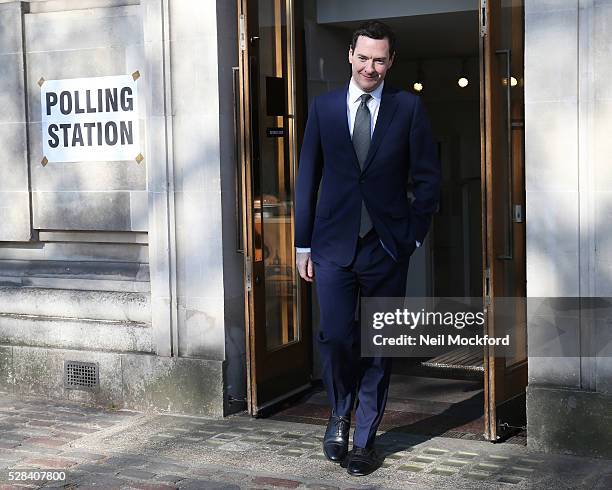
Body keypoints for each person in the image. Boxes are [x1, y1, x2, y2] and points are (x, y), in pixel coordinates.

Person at [294, 20, 441, 476]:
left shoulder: (408, 108)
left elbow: (428, 182)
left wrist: (411, 238)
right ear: (350, 56)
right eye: (363, 57)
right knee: (336, 336)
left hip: (386, 249)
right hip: (332, 246)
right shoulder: (322, 109)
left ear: (390, 61)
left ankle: (364, 440)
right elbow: (307, 179)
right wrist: (302, 245)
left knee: (378, 346)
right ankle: (340, 413)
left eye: (380, 59)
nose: (370, 67)